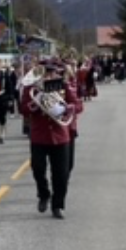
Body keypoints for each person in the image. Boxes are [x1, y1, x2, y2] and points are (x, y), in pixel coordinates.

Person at [19, 59, 80, 219]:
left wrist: (69, 107)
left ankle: (57, 205)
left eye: (51, 72)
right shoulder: (30, 89)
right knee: (38, 169)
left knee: (61, 174)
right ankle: (44, 193)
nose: (48, 75)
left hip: (60, 136)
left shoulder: (63, 86)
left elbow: (78, 104)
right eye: (44, 72)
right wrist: (36, 103)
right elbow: (23, 108)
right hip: (39, 135)